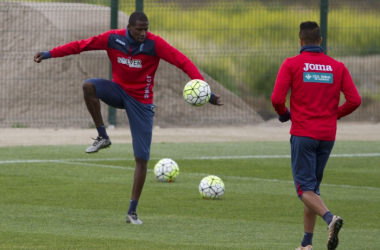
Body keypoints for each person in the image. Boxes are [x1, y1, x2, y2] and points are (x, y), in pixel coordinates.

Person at [34, 11, 223, 225]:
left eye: (146, 29)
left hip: (141, 103)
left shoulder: (155, 44)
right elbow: (80, 45)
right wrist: (49, 53)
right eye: (139, 29)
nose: (144, 33)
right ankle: (102, 136)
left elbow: (183, 62)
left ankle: (132, 212)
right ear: (129, 27)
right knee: (89, 86)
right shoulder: (113, 38)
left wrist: (205, 92)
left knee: (141, 159)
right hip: (118, 91)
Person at [271, 21, 361, 250]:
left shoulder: (292, 64)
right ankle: (306, 244)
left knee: (304, 190)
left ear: (300, 41)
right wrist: (335, 115)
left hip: (303, 135)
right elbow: (355, 100)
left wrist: (283, 115)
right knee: (312, 189)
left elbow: (276, 99)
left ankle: (331, 219)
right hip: (327, 136)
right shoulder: (337, 66)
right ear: (320, 41)